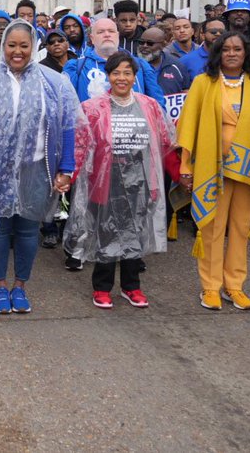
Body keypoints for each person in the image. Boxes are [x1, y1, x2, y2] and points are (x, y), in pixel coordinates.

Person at [0, 20, 81, 315]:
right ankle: (0, 285)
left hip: (35, 167)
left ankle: (20, 286)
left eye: (24, 46)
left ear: (34, 47)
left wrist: (66, 167)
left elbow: (68, 125)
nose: (17, 51)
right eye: (12, 45)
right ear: (2, 46)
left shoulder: (54, 82)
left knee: (27, 230)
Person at [176, 32, 250, 311]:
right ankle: (210, 287)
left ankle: (234, 285)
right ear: (218, 54)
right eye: (226, 49)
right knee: (211, 227)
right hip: (213, 168)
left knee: (240, 228)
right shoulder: (204, 83)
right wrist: (186, 167)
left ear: (246, 53)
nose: (232, 53)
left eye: (238, 49)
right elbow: (187, 127)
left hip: (248, 171)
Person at [67, 52, 172, 309]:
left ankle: (131, 286)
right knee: (106, 233)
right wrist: (69, 175)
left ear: (135, 77)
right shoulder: (92, 108)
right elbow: (80, 145)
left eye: (127, 73)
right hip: (106, 182)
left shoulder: (149, 106)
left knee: (135, 234)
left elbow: (165, 142)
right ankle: (102, 288)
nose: (121, 78)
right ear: (108, 76)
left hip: (141, 182)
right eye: (116, 73)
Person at [64, 17, 164, 108]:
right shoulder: (75, 66)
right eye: (100, 32)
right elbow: (67, 107)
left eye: (111, 31)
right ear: (92, 38)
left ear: (117, 35)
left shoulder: (140, 65)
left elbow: (157, 106)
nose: (107, 35)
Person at [138, 27, 187, 96]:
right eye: (141, 42)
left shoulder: (177, 66)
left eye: (150, 43)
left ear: (163, 45)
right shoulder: (131, 65)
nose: (144, 46)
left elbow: (186, 92)